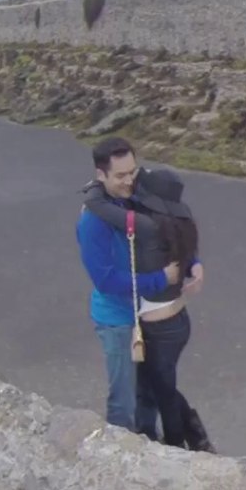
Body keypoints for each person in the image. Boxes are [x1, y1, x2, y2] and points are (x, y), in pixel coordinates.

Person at [82, 165, 215, 452]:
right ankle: (183, 437)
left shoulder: (146, 226)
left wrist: (95, 186)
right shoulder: (178, 221)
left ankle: (181, 444)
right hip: (176, 321)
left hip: (160, 328)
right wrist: (195, 264)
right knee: (157, 387)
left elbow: (98, 206)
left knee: (161, 391)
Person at [76, 137, 181, 436]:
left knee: (149, 391)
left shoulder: (135, 195)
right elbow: (106, 281)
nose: (129, 181)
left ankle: (147, 443)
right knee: (123, 399)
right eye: (120, 175)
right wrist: (162, 279)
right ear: (101, 175)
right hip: (118, 321)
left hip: (148, 312)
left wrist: (193, 262)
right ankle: (118, 451)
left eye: (132, 172)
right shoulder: (92, 222)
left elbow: (169, 228)